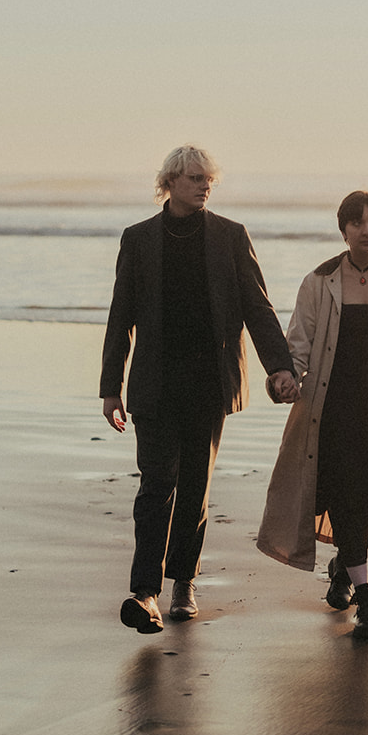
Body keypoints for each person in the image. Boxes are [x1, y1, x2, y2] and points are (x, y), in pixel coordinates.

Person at [100, 145, 299, 635]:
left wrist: (279, 367)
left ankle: (183, 581)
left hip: (209, 383)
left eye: (208, 178)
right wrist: (111, 387)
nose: (204, 185)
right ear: (170, 181)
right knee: (155, 487)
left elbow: (258, 306)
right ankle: (145, 592)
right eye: (193, 177)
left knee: (194, 488)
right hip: (154, 383)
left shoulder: (229, 237)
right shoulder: (140, 239)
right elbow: (120, 315)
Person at [257, 190, 368, 640]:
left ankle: (342, 565)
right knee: (347, 496)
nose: (367, 230)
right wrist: (283, 379)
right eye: (357, 222)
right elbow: (298, 345)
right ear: (343, 229)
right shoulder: (320, 280)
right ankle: (366, 597)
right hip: (331, 412)